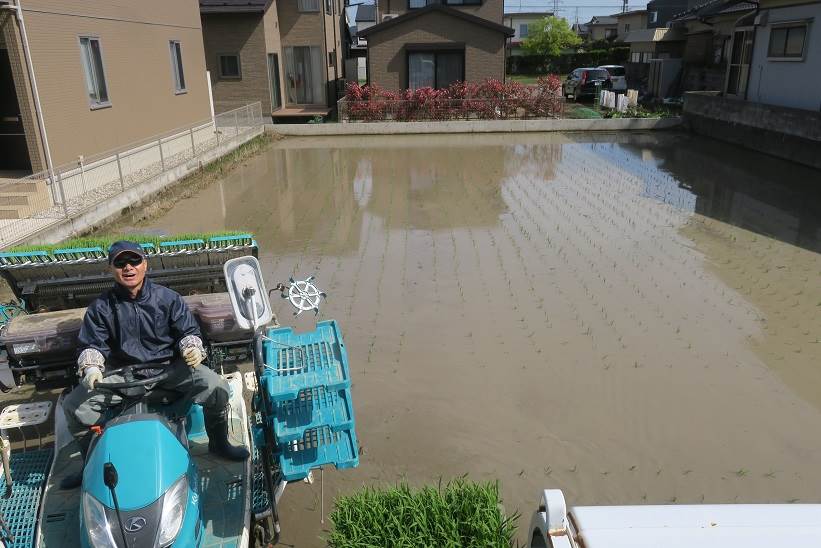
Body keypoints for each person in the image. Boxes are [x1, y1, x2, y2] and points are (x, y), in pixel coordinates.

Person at [60, 240, 249, 489]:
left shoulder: (168, 299)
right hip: (123, 377)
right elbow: (91, 345)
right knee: (74, 407)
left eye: (134, 261)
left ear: (145, 265)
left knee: (216, 387)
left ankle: (219, 443)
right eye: (120, 263)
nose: (128, 267)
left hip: (170, 371)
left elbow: (188, 331)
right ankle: (89, 466)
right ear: (111, 269)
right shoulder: (101, 308)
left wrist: (191, 348)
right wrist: (92, 367)